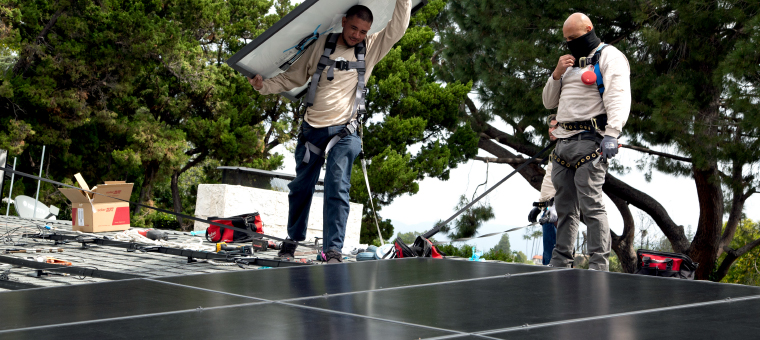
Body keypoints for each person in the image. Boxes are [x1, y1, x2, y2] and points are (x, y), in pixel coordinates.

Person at [248, 0, 412, 263]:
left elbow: (398, 28)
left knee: (337, 184)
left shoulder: (370, 49)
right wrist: (262, 85)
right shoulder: (322, 44)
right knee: (301, 187)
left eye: (362, 31)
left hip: (345, 133)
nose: (357, 35)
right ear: (344, 21)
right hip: (312, 130)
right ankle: (292, 240)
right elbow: (292, 77)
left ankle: (333, 250)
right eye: (354, 28)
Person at [541, 13, 630, 271]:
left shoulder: (609, 56)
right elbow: (548, 102)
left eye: (574, 37)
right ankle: (560, 262)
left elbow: (618, 95)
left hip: (591, 142)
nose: (570, 43)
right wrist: (557, 74)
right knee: (564, 207)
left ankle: (598, 266)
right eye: (566, 39)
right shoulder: (568, 64)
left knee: (591, 204)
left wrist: (612, 133)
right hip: (562, 143)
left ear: (589, 29)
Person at [527, 114, 559, 265]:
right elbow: (549, 182)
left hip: (557, 210)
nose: (551, 130)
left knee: (555, 257)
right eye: (550, 127)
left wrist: (556, 206)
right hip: (549, 209)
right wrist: (539, 206)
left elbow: (568, 182)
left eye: (555, 127)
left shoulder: (566, 150)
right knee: (548, 255)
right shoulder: (556, 150)